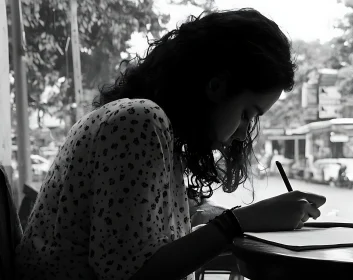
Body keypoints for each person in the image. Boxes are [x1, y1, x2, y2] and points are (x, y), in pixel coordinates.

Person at [15, 8, 326, 280]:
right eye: (247, 114)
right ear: (217, 85)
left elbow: (137, 233)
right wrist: (238, 222)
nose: (244, 134)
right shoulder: (138, 120)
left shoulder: (149, 125)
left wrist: (225, 217)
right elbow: (133, 275)